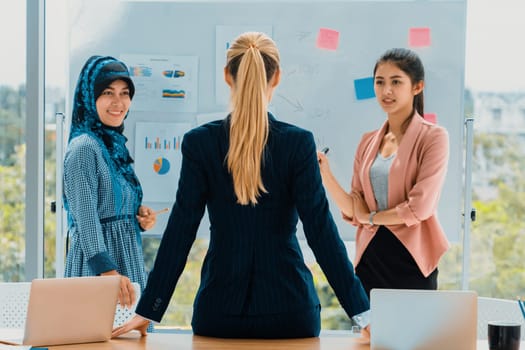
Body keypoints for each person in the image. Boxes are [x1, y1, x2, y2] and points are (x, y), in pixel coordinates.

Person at [111, 32, 369, 339]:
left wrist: (149, 309)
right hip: (290, 313)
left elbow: (181, 230)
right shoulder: (298, 144)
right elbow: (322, 233)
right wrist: (361, 314)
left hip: (219, 314)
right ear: (276, 78)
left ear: (226, 76)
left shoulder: (200, 143)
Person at [317, 48, 450, 297]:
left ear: (417, 87)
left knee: (416, 334)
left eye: (396, 82)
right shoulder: (368, 142)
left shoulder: (434, 137)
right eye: (380, 82)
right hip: (370, 259)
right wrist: (326, 175)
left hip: (412, 259)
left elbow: (418, 209)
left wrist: (370, 218)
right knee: (370, 336)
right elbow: (353, 209)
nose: (386, 90)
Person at [63, 56, 157, 310]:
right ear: (89, 97)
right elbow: (85, 219)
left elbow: (111, 204)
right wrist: (108, 273)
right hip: (99, 268)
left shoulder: (113, 147)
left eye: (125, 93)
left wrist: (139, 216)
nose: (119, 102)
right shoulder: (84, 148)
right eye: (107, 92)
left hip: (126, 263)